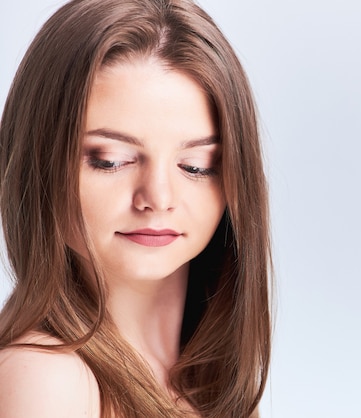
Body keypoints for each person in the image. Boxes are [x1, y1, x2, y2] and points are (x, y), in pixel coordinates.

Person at [0, 0, 271, 416]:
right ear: (38, 160)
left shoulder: (205, 379)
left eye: (197, 167)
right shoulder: (45, 379)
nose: (159, 198)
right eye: (111, 160)